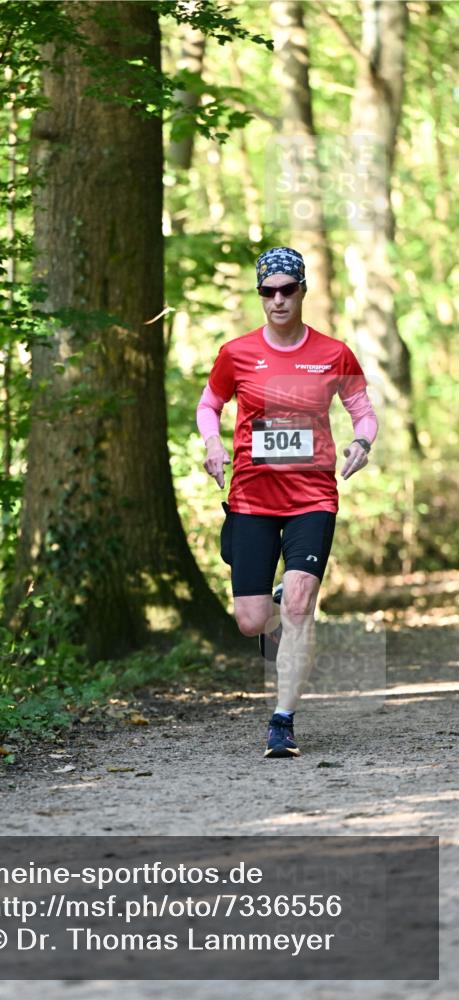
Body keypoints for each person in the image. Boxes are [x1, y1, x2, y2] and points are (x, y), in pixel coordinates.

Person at [196, 247, 378, 759]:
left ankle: (283, 721)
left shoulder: (334, 353)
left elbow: (363, 412)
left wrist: (361, 444)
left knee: (300, 604)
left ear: (301, 291)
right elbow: (209, 404)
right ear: (260, 295)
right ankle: (271, 608)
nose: (278, 300)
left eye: (287, 290)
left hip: (313, 496)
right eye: (267, 291)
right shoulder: (236, 354)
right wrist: (213, 445)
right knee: (253, 621)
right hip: (252, 497)